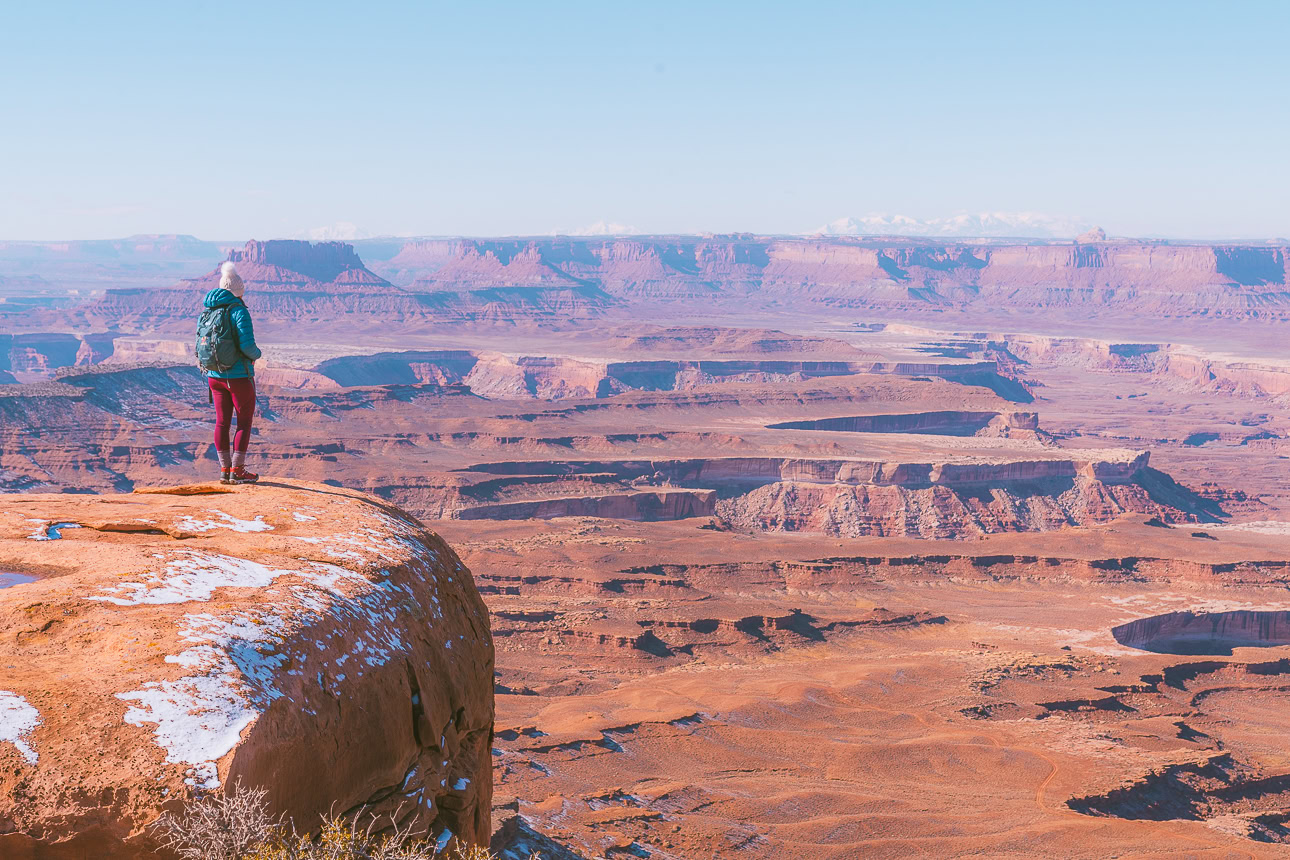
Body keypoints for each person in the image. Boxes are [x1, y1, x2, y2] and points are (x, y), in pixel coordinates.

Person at [200, 261, 262, 484]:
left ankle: (224, 471)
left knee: (221, 422)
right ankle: (238, 470)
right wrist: (257, 355)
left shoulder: (208, 311)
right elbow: (247, 346)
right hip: (238, 377)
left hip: (214, 377)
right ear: (239, 291)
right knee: (243, 422)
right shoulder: (239, 311)